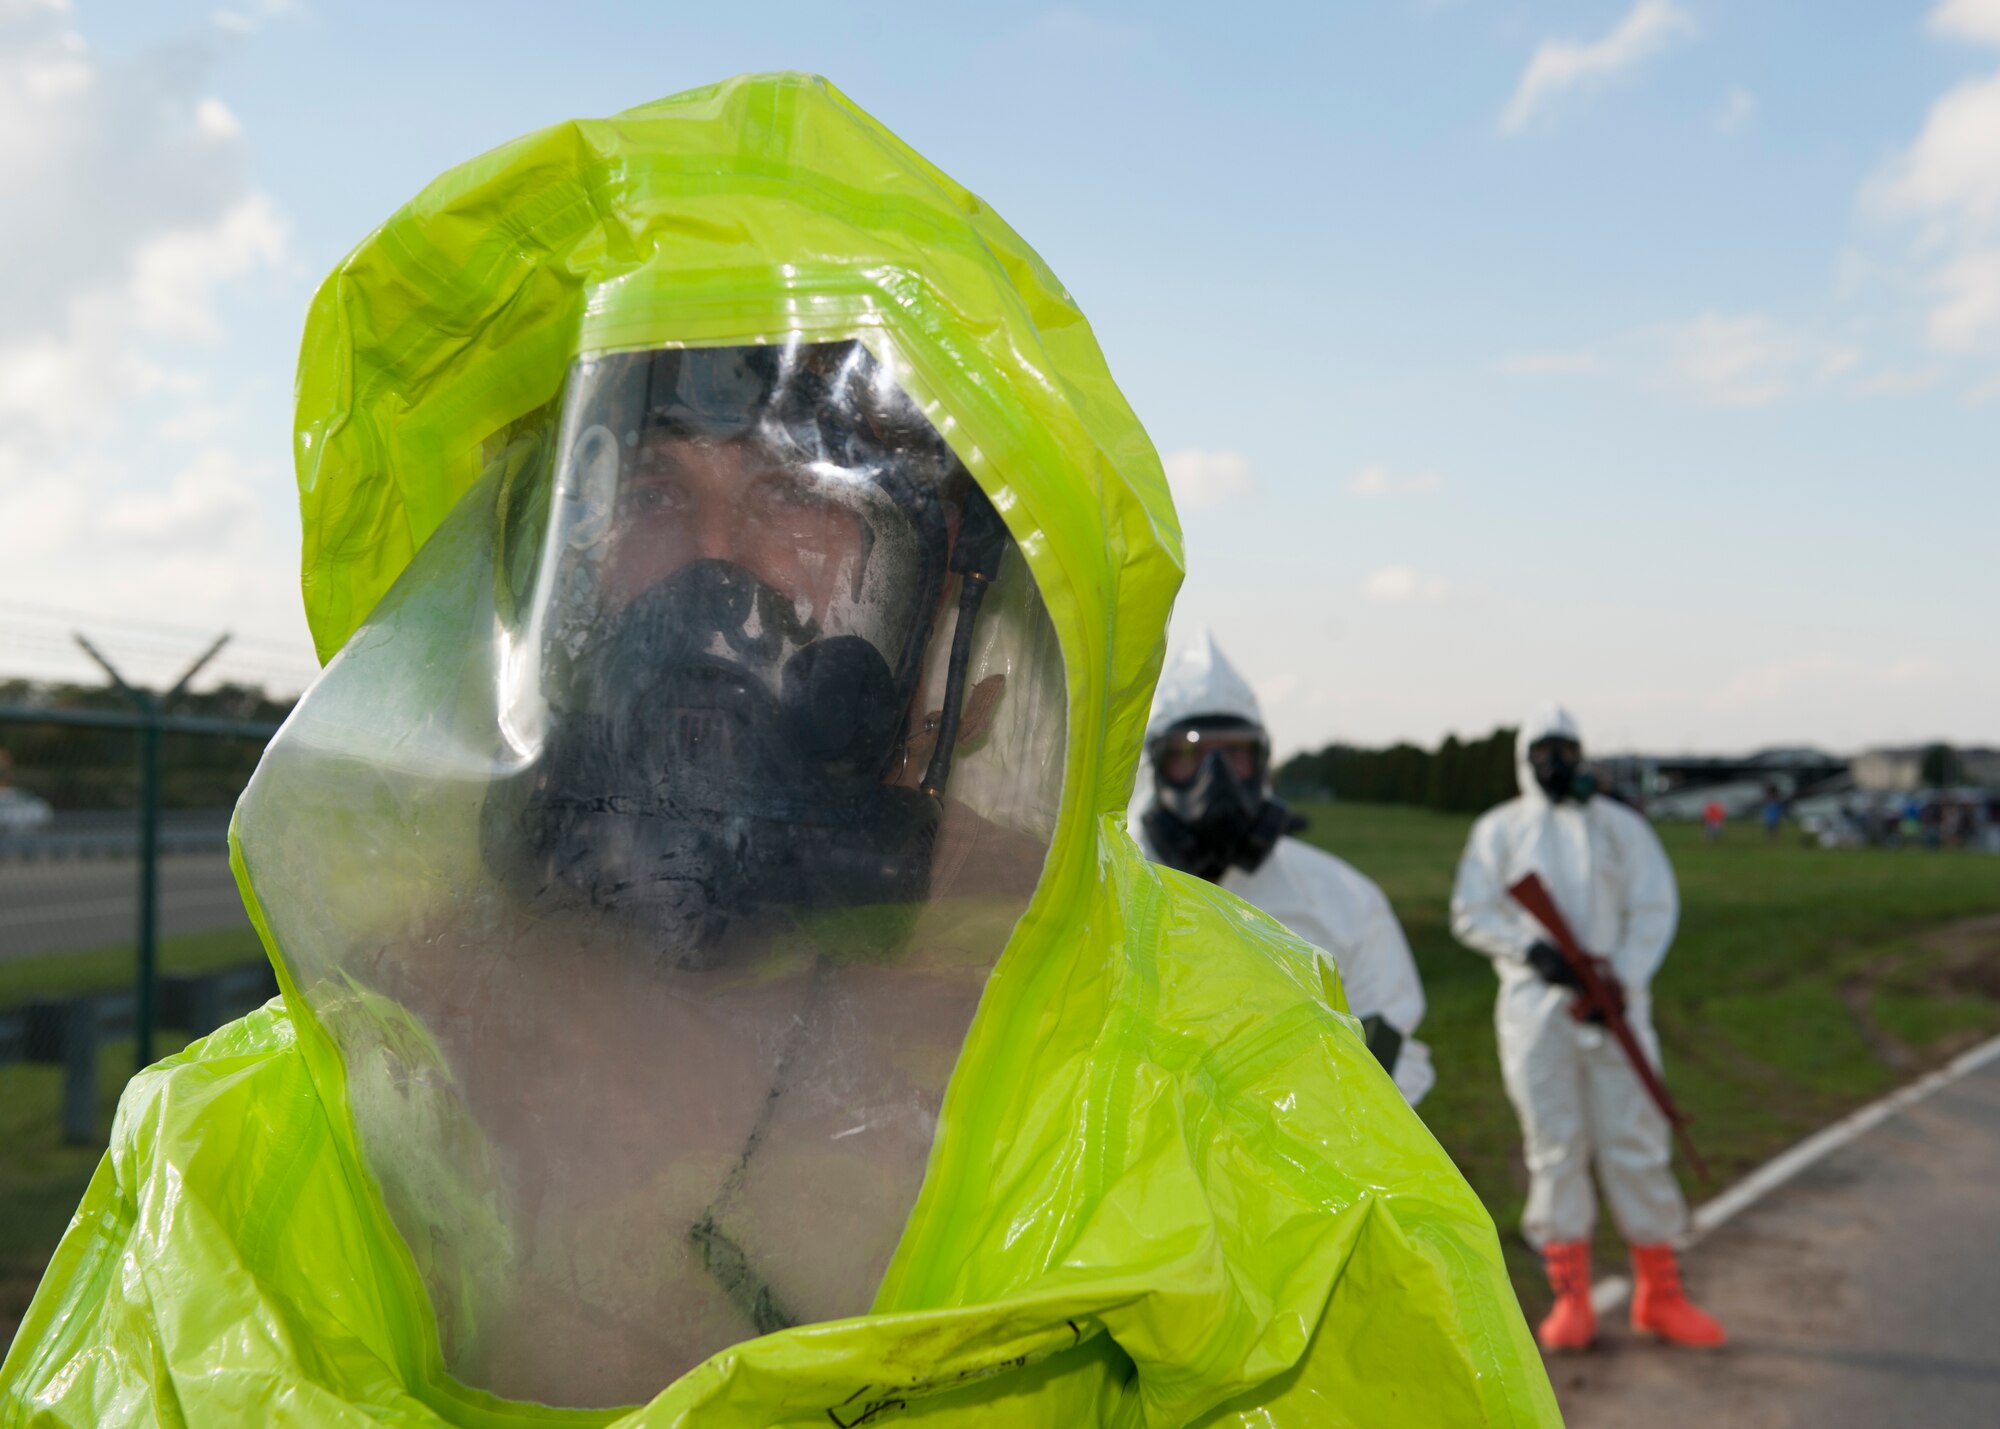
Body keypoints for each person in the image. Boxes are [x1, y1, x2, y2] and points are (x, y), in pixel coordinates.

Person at [1, 75, 1559, 1425]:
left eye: (802, 502)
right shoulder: (314, 1095)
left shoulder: (1201, 1074)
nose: (712, 573)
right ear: (532, 572)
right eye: (645, 492)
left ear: (954, 602)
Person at [1450, 704, 1726, 1353]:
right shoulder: (1500, 830)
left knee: (1636, 1141)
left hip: (1615, 1010)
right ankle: (1571, 1298)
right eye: (1544, 751)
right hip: (1535, 1015)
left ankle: (1659, 1292)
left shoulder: (1622, 829)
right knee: (1554, 1147)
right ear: (1525, 758)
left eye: (1565, 750)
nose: (1555, 763)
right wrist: (1530, 948)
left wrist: (1619, 978)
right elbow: (1471, 907)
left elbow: (1654, 907)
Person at [1134, 634, 1434, 1105]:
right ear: (1155, 765)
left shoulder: (1345, 901)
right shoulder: (1107, 885)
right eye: (1189, 754)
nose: (1217, 781)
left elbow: (1395, 1048)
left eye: (1235, 755)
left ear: (1263, 764)